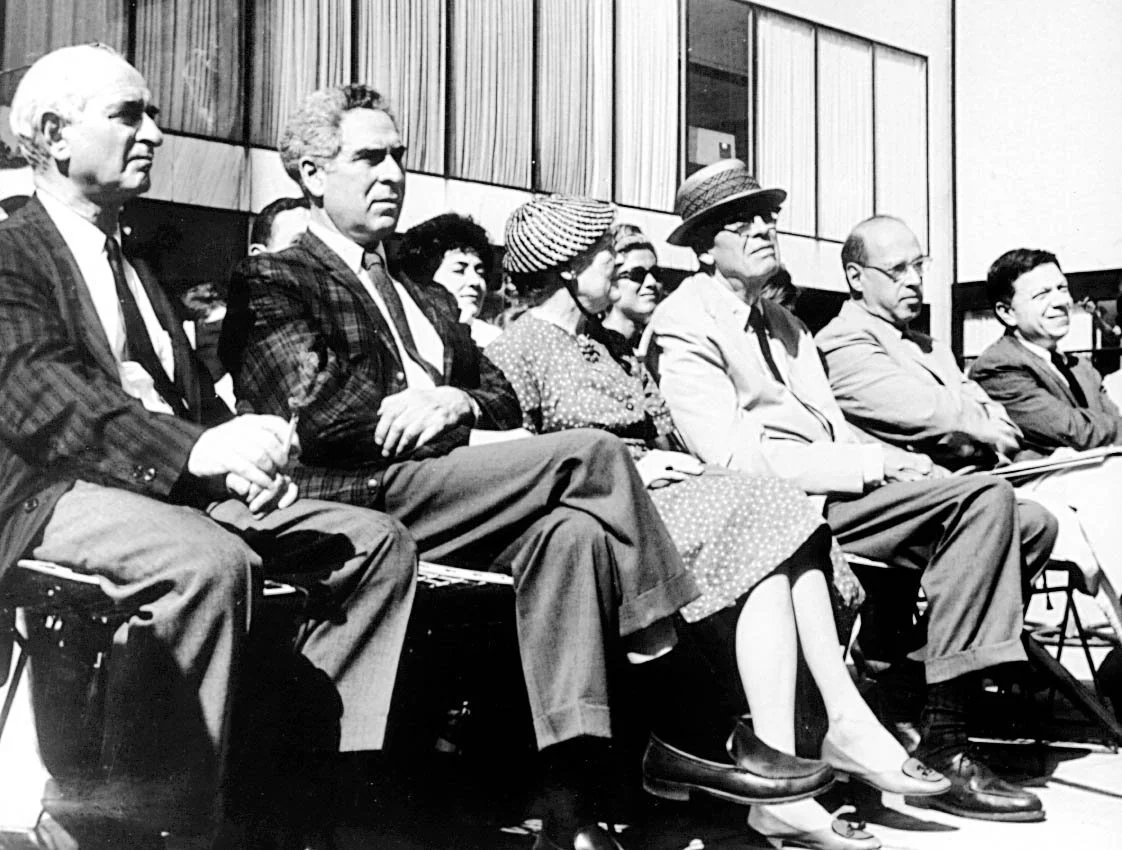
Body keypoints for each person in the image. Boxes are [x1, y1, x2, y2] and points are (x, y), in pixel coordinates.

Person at [219, 83, 789, 850]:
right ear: (312, 173)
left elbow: (497, 395)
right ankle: (693, 717)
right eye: (367, 158)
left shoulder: (424, 294)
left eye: (397, 156)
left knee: (571, 538)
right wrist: (418, 402)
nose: (391, 173)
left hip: (438, 490)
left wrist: (451, 401)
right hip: (356, 498)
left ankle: (570, 810)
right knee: (594, 453)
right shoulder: (276, 280)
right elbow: (320, 416)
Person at [0, 45, 416, 845]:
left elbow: (184, 402)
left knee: (369, 545)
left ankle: (299, 799)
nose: (155, 131)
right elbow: (45, 401)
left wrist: (243, 451)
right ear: (54, 135)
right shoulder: (13, 253)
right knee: (206, 564)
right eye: (129, 115)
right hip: (45, 491)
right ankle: (153, 825)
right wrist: (195, 455)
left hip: (149, 484)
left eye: (153, 113)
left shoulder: (132, 262)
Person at [488, 208, 950, 850]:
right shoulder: (517, 349)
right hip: (615, 514)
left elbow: (666, 427)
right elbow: (530, 458)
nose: (615, 265)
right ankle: (825, 730)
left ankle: (787, 764)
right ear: (565, 269)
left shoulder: (610, 347)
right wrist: (643, 467)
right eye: (601, 253)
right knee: (768, 508)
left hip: (676, 499)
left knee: (772, 515)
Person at [646, 158, 1049, 824]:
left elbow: (832, 425)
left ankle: (901, 687)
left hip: (829, 495)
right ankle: (946, 737)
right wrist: (871, 466)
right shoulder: (685, 323)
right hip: (772, 508)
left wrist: (883, 462)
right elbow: (732, 455)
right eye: (736, 223)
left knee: (1031, 520)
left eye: (765, 216)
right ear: (702, 246)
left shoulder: (786, 325)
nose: (760, 230)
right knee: (986, 501)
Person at [971, 248, 1122, 603]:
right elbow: (1076, 431)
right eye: (1041, 295)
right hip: (1039, 486)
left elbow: (1108, 426)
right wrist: (1101, 426)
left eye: (1062, 289)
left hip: (1087, 479)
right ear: (1006, 313)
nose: (1060, 302)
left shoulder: (1082, 367)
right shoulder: (998, 366)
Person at [396, 212, 502, 346]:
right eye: (459, 270)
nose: (475, 281)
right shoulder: (409, 336)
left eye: (480, 272)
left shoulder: (495, 341)